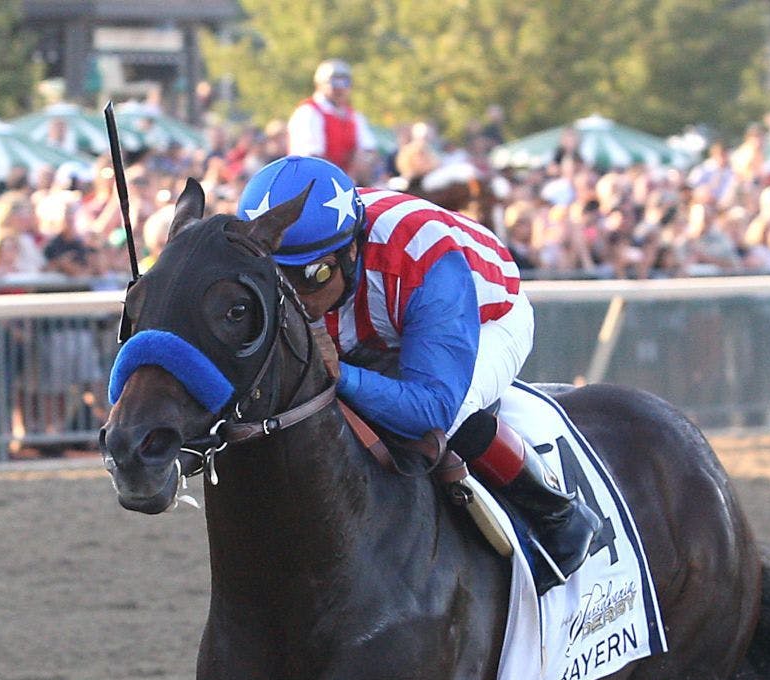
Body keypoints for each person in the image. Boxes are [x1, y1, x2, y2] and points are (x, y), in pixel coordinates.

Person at [236, 155, 597, 589]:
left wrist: (342, 376)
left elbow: (432, 407)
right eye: (277, 278)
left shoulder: (423, 256)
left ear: (350, 250)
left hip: (485, 316)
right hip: (381, 318)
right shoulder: (313, 261)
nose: (295, 298)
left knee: (440, 423)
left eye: (312, 276)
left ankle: (557, 512)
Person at [286, 59, 377, 184]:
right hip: (313, 184)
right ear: (319, 84)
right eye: (334, 82)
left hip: (347, 183)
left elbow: (369, 150)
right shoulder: (308, 112)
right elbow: (311, 157)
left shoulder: (354, 116)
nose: (339, 88)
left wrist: (360, 165)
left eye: (344, 82)